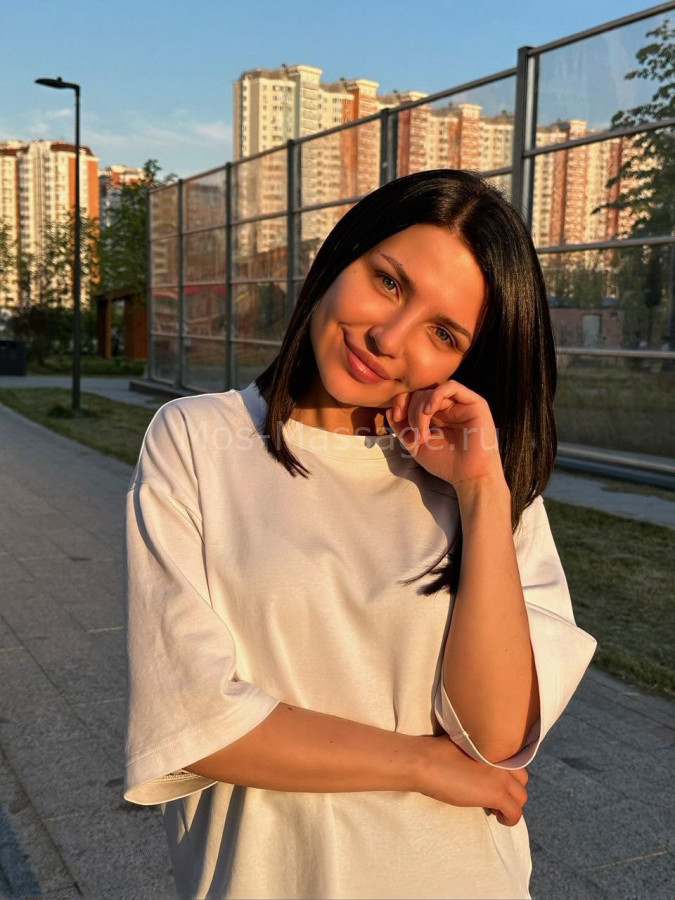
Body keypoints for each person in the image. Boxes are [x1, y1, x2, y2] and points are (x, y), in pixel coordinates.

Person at [123, 169, 596, 900]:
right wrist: (419, 763)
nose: (388, 337)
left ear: (466, 360)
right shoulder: (197, 439)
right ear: (341, 256)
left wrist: (479, 492)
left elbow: (495, 735)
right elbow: (194, 719)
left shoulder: (484, 479)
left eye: (443, 332)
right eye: (388, 282)